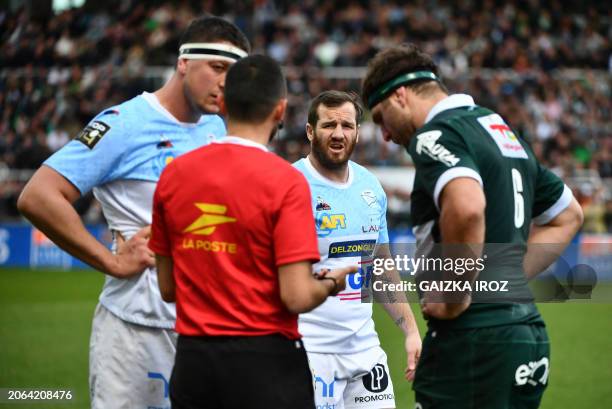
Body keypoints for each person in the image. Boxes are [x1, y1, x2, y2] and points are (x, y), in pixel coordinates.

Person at [17, 16, 250, 409]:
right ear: (183, 62)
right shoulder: (123, 124)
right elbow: (38, 195)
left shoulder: (219, 128)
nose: (226, 82)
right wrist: (108, 260)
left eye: (235, 72)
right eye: (217, 67)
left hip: (205, 332)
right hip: (135, 333)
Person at [362, 44, 583, 409]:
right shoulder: (498, 131)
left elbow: (466, 208)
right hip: (526, 332)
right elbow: (568, 215)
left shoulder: (436, 135)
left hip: (472, 340)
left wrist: (455, 295)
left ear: (400, 96)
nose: (385, 134)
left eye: (381, 117)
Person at [148, 55, 357, 409]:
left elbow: (168, 289)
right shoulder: (286, 181)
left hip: (193, 362)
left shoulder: (173, 175)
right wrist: (333, 281)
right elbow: (296, 297)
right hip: (265, 364)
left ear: (224, 103)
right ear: (280, 109)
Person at [294, 90, 422, 409]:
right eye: (328, 125)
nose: (338, 134)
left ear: (357, 131)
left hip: (365, 353)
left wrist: (409, 329)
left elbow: (380, 266)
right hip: (309, 354)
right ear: (311, 131)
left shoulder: (370, 187)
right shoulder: (289, 185)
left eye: (347, 126)